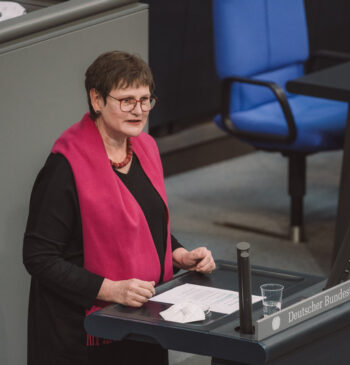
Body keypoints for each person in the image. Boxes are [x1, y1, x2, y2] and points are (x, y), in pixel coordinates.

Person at [23, 50, 216, 365]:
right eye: (127, 100)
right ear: (97, 100)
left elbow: (145, 222)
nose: (138, 110)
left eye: (145, 100)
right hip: (83, 334)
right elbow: (38, 256)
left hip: (144, 316)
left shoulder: (144, 148)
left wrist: (178, 254)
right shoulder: (65, 166)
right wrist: (110, 289)